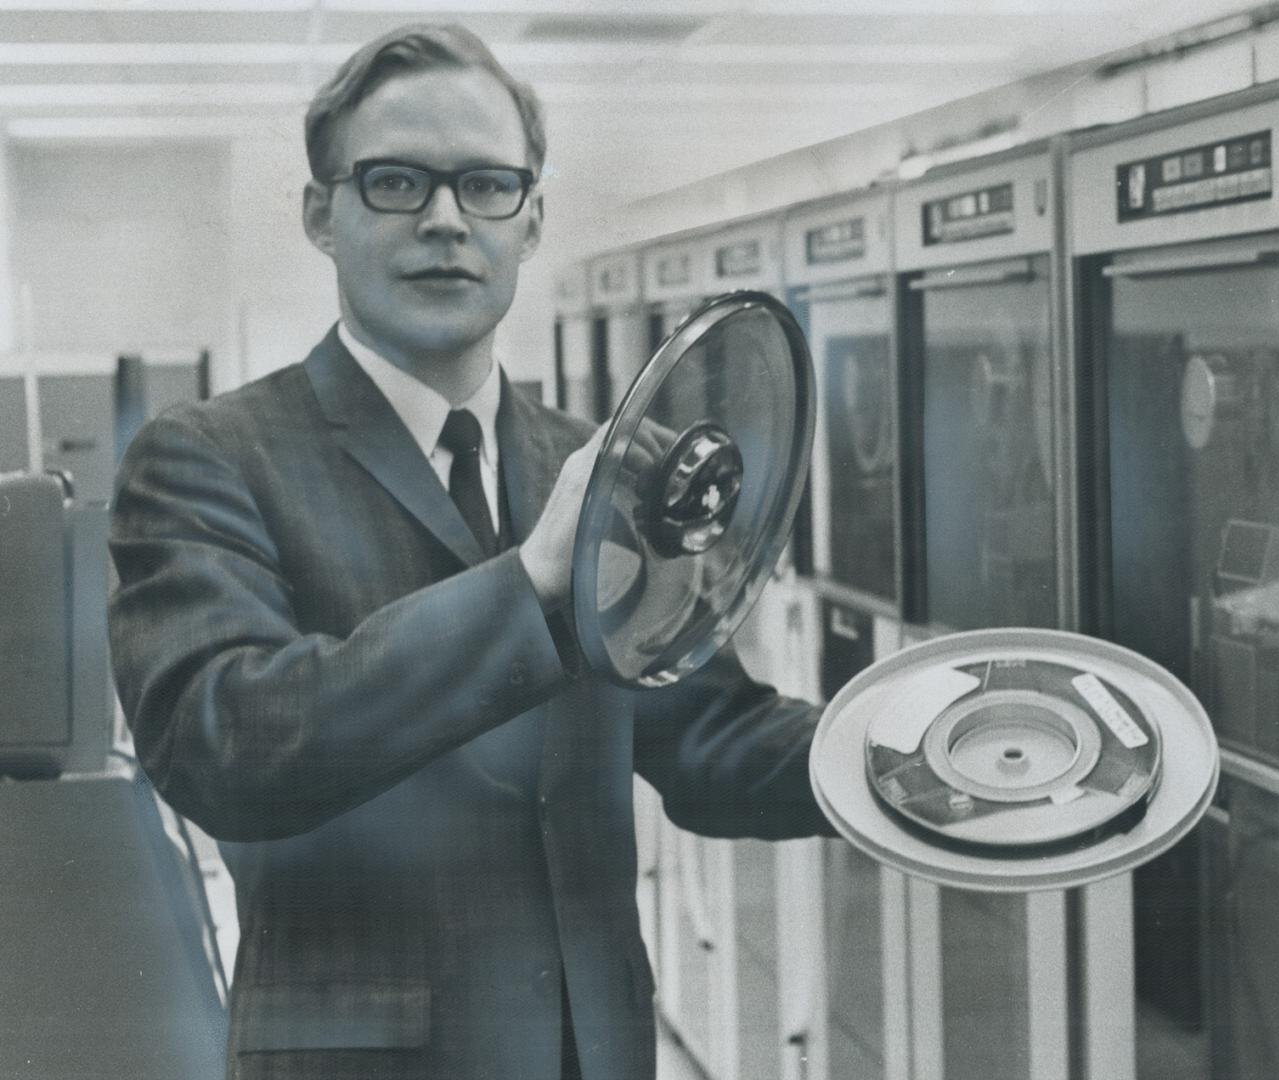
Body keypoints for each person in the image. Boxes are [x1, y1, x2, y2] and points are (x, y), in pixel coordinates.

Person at [108, 23, 831, 1080]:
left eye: (486, 185)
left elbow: (701, 730)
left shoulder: (591, 461)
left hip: (594, 1052)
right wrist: (530, 585)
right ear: (322, 212)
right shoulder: (208, 457)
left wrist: (886, 753)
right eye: (397, 182)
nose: (445, 220)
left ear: (530, 219)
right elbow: (223, 742)